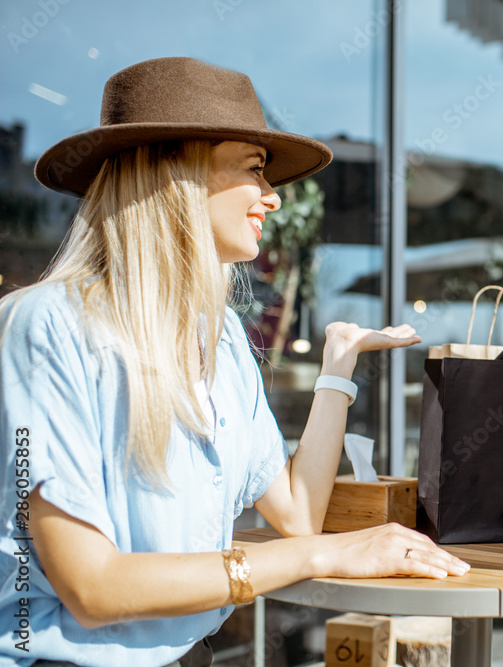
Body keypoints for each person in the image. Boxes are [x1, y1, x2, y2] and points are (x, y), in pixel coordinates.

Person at [0, 57, 468, 667]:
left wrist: (338, 365)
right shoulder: (45, 325)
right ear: (176, 169)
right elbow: (93, 590)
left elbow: (298, 513)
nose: (273, 198)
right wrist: (324, 555)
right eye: (255, 170)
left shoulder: (218, 336)